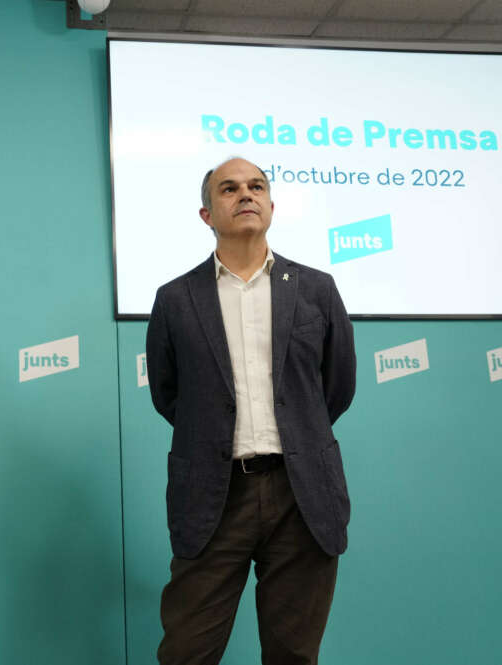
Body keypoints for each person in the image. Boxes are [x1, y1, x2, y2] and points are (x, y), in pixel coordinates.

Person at [145, 157, 356, 665]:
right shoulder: (175, 299)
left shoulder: (317, 289)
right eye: (229, 188)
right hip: (213, 496)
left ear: (271, 206)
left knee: (293, 654)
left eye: (256, 186)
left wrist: (298, 433)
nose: (245, 194)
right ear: (206, 214)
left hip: (300, 494)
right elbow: (168, 394)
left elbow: (337, 388)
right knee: (186, 652)